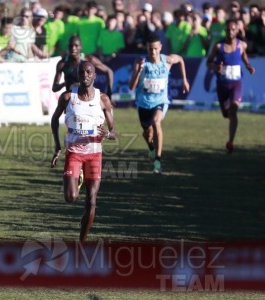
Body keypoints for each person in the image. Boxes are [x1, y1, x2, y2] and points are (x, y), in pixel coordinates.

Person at [51, 60, 116, 243]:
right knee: (71, 197)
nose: (85, 75)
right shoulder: (67, 98)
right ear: (78, 75)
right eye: (82, 72)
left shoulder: (102, 99)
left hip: (94, 154)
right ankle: (78, 177)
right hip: (74, 152)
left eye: (89, 72)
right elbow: (55, 119)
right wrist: (57, 145)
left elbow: (114, 132)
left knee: (91, 201)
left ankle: (82, 241)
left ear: (94, 75)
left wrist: (108, 133)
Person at [129, 34, 190, 174]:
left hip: (161, 101)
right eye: (151, 49)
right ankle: (151, 148)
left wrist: (185, 80)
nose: (154, 52)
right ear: (147, 48)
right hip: (144, 103)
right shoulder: (141, 62)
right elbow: (131, 87)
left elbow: (180, 59)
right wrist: (138, 72)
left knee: (156, 123)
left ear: (160, 47)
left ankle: (157, 160)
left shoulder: (167, 60)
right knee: (147, 134)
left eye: (156, 49)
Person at [206, 19, 255, 154]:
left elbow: (244, 56)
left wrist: (248, 66)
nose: (230, 32)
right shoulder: (218, 46)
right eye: (228, 29)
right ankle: (228, 116)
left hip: (236, 83)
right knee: (225, 113)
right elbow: (208, 62)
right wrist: (215, 66)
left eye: (233, 29)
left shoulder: (241, 45)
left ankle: (230, 142)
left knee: (233, 111)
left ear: (237, 31)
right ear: (225, 30)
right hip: (222, 85)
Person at [52, 35, 113, 100]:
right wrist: (65, 83)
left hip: (88, 99)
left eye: (76, 45)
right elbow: (54, 88)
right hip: (72, 101)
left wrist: (109, 92)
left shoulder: (89, 59)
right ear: (68, 47)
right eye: (71, 46)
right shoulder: (62, 63)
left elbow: (109, 71)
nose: (73, 48)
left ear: (80, 47)